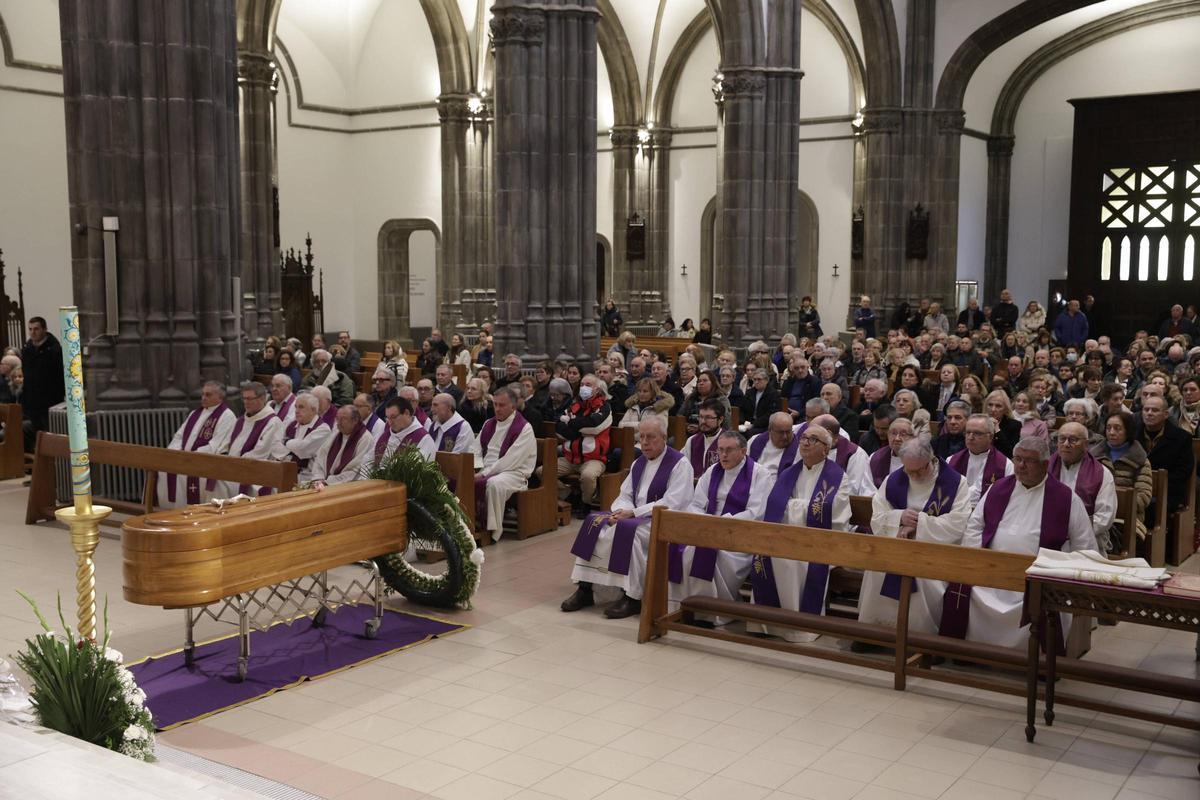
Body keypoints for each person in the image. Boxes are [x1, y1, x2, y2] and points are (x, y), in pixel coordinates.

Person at [957, 437, 1097, 647]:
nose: (1020, 466)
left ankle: (1035, 659)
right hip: (992, 573)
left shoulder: (1065, 498)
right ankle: (971, 651)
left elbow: (1084, 544)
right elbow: (975, 525)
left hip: (1037, 579)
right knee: (964, 591)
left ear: (1045, 464)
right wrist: (979, 562)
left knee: (1042, 604)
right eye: (1018, 459)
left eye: (1028, 461)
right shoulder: (998, 488)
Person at [563, 416, 694, 618]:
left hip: (664, 522)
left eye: (651, 437)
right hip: (634, 517)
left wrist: (632, 513)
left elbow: (674, 502)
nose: (645, 442)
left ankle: (632, 597)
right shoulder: (638, 463)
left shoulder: (679, 464)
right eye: (641, 437)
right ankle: (586, 588)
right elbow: (625, 494)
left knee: (626, 533)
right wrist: (619, 513)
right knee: (595, 524)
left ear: (664, 437)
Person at [858, 437, 972, 638]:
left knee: (926, 579)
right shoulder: (893, 479)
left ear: (932, 459)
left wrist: (919, 524)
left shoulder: (955, 483)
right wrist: (898, 517)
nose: (915, 475)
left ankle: (923, 639)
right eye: (910, 471)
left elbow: (958, 522)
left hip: (933, 549)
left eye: (921, 470)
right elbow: (877, 516)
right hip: (897, 545)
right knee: (876, 571)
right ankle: (874, 632)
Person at [749, 424, 851, 642]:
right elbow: (776, 505)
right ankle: (768, 624)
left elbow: (835, 513)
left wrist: (793, 506)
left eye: (812, 440)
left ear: (825, 449)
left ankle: (798, 628)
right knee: (768, 556)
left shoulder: (837, 477)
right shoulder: (790, 473)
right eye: (803, 437)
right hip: (785, 537)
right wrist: (800, 508)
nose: (804, 442)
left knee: (793, 562)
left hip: (818, 544)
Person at [668, 431, 771, 619]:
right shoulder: (712, 471)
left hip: (740, 535)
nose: (723, 455)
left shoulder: (760, 474)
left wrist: (724, 524)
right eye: (721, 450)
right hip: (707, 530)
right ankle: (686, 607)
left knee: (706, 553)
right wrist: (705, 523)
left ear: (743, 451)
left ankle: (713, 613)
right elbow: (696, 504)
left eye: (729, 450)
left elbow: (756, 512)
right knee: (681, 550)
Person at [156, 381, 236, 507]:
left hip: (204, 461)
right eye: (203, 394)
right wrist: (176, 453)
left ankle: (192, 512)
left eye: (208, 395)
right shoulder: (195, 413)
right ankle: (170, 511)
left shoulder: (227, 416)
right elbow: (179, 437)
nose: (203, 398)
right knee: (163, 470)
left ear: (220, 397)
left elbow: (215, 445)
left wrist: (191, 456)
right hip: (185, 458)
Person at [474, 386, 538, 543]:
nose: (497, 409)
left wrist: (483, 474)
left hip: (514, 473)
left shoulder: (524, 428)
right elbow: (475, 449)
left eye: (501, 405)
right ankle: (469, 523)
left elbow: (511, 460)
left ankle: (492, 529)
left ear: (513, 406)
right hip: (485, 469)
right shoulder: (489, 423)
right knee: (459, 479)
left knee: (494, 484)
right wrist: (474, 468)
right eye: (495, 404)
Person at [1091, 410, 1153, 550]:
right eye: (1108, 428)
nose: (1111, 432)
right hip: (1096, 513)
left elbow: (1144, 495)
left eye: (1117, 428)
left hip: (1127, 518)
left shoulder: (1140, 459)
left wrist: (1112, 505)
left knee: (1108, 536)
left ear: (1128, 431)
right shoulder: (1094, 457)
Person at [1049, 420, 1117, 546]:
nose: (1066, 444)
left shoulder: (1101, 474)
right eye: (1062, 439)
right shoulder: (1045, 468)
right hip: (1048, 535)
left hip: (1086, 539)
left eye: (1073, 440)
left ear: (1086, 445)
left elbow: (1104, 516)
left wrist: (1072, 532)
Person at [552, 374, 613, 512]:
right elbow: (559, 429)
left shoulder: (604, 407)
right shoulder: (574, 406)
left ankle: (586, 503)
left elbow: (594, 427)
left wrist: (570, 423)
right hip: (571, 457)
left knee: (588, 476)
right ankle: (569, 495)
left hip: (594, 458)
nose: (584, 388)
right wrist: (579, 430)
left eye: (588, 385)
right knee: (543, 472)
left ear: (597, 389)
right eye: (582, 385)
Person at [214, 382, 285, 499]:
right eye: (244, 398)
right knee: (209, 479)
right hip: (233, 467)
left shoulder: (272, 422)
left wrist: (232, 465)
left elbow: (260, 453)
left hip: (255, 472)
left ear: (262, 398)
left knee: (219, 483)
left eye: (250, 398)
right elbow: (225, 445)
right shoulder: (240, 420)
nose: (246, 402)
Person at [1138, 394, 1194, 512]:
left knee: (1149, 506)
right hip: (1137, 488)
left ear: (1166, 414)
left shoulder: (1182, 438)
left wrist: (1155, 485)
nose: (1149, 413)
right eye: (1146, 409)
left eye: (1155, 410)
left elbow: (1183, 472)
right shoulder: (1133, 434)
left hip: (1167, 492)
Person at [946, 413, 1014, 508]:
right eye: (968, 432)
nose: (970, 437)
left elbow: (1007, 498)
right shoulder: (951, 461)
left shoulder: (1006, 465)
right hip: (955, 512)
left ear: (990, 437)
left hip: (987, 514)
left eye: (977, 433)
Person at [19, 316, 64, 446]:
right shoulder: (27, 349)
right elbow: (26, 375)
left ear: (44, 329)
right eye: (30, 329)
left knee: (51, 435)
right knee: (36, 435)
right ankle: (40, 461)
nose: (32, 332)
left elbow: (59, 376)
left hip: (50, 400)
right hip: (32, 402)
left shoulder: (54, 349)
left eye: (36, 329)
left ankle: (53, 464)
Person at [269, 392, 331, 483]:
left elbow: (303, 450)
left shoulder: (323, 429)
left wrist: (286, 442)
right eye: (296, 407)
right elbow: (274, 444)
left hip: (308, 477)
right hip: (285, 471)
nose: (297, 411)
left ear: (313, 410)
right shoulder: (291, 424)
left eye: (301, 407)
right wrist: (292, 451)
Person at [311, 405, 375, 490]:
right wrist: (318, 478)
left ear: (355, 420)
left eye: (343, 419)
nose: (339, 422)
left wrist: (328, 482)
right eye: (337, 418)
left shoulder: (365, 439)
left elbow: (355, 470)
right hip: (323, 484)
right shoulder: (336, 434)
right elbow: (320, 458)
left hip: (347, 488)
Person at [374, 396, 436, 463]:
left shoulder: (423, 439)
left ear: (407, 413)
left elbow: (418, 469)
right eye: (387, 418)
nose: (390, 422)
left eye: (393, 417)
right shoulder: (385, 434)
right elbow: (368, 459)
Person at [747, 411, 802, 479]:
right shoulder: (754, 440)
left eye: (788, 432)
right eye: (780, 432)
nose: (785, 436)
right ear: (770, 430)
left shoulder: (799, 450)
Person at [867, 416, 915, 488]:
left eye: (903, 434)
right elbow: (867, 487)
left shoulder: (922, 462)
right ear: (888, 435)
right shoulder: (875, 457)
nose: (897, 438)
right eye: (894, 433)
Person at [684, 398, 726, 478]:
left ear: (720, 419)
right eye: (701, 417)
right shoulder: (692, 441)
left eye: (708, 417)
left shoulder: (729, 442)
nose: (703, 421)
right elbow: (683, 467)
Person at [739, 369, 780, 436]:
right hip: (748, 423)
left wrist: (754, 424)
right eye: (754, 379)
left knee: (749, 434)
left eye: (759, 379)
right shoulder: (749, 392)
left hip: (764, 425)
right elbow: (742, 409)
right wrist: (743, 421)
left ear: (766, 380)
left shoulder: (773, 394)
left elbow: (771, 414)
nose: (756, 382)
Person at [780, 357, 821, 421]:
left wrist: (799, 413)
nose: (800, 370)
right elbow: (783, 399)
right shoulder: (788, 382)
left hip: (805, 416)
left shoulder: (815, 382)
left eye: (802, 367)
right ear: (793, 369)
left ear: (807, 367)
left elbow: (816, 403)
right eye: (796, 368)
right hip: (787, 414)